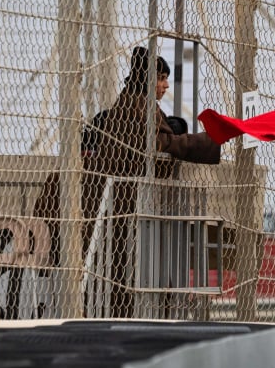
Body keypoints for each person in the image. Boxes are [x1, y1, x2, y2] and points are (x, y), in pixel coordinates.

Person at [34, 46, 221, 317]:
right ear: (147, 79)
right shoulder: (137, 107)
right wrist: (207, 141)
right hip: (125, 204)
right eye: (161, 78)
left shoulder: (133, 104)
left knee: (125, 270)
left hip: (125, 203)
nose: (166, 85)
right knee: (126, 269)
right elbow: (159, 145)